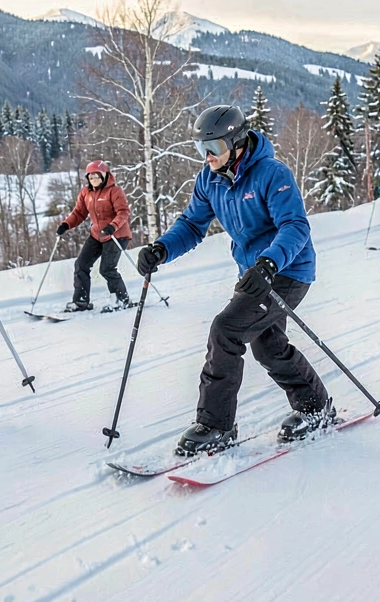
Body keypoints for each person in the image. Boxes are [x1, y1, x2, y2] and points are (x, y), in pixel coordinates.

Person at [136, 105, 332, 454]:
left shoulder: (272, 173)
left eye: (213, 148)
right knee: (268, 345)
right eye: (200, 149)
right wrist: (162, 249)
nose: (207, 157)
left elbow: (295, 226)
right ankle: (315, 406)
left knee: (226, 329)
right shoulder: (209, 180)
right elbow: (192, 225)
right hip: (254, 274)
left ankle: (215, 426)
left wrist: (269, 263)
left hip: (287, 270)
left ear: (237, 142)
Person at [57, 160, 133, 313]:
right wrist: (66, 224)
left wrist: (112, 226)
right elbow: (79, 213)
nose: (94, 180)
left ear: (105, 176)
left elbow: (123, 212)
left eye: (97, 177)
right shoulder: (86, 193)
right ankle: (81, 301)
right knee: (81, 264)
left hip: (116, 235)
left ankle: (121, 300)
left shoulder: (114, 191)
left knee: (107, 268)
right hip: (97, 235)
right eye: (91, 178)